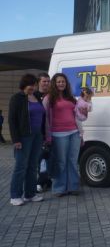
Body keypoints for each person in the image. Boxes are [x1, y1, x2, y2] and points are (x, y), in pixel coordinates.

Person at [8, 74, 45, 206]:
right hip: (24, 137)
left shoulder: (37, 97)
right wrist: (16, 139)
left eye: (34, 85)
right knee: (21, 166)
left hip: (37, 136)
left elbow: (42, 117)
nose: (33, 88)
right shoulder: (17, 98)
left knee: (33, 166)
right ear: (24, 85)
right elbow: (12, 120)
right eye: (31, 86)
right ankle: (15, 195)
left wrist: (44, 135)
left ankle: (30, 194)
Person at [43, 73, 81, 197]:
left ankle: (73, 187)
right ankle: (59, 188)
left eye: (63, 81)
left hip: (74, 133)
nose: (61, 84)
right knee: (61, 162)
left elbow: (78, 117)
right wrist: (47, 137)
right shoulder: (49, 98)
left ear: (66, 83)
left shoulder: (71, 98)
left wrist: (81, 134)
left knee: (73, 161)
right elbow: (45, 119)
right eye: (59, 81)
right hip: (58, 134)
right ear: (54, 83)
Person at [34, 72, 52, 192]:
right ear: (38, 82)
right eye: (44, 81)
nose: (46, 83)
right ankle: (39, 182)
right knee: (40, 159)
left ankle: (46, 180)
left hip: (50, 132)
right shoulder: (33, 96)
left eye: (48, 81)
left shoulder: (52, 95)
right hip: (38, 133)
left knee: (48, 157)